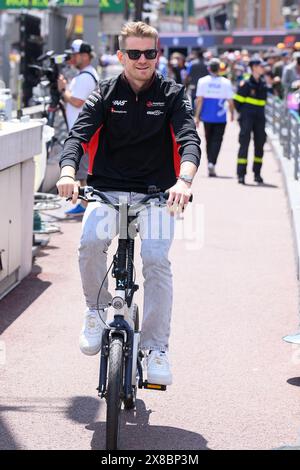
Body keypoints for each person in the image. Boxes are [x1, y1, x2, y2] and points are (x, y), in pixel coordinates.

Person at [56, 21, 201, 386]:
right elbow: (77, 136)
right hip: (107, 192)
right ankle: (96, 308)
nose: (142, 60)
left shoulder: (172, 94)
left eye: (149, 53)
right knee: (89, 243)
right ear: (121, 56)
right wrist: (68, 173)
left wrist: (184, 181)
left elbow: (189, 140)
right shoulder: (103, 93)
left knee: (155, 260)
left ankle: (155, 348)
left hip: (157, 195)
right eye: (133, 53)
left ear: (158, 55)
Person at [57, 39, 99, 216]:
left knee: (84, 172)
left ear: (84, 56)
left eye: (75, 55)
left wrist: (62, 90)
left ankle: (86, 205)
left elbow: (76, 101)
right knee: (83, 172)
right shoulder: (85, 74)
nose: (72, 58)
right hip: (83, 131)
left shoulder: (86, 76)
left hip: (84, 133)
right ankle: (85, 203)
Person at [194, 58, 234, 177]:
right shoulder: (226, 82)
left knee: (208, 140)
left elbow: (199, 100)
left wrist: (197, 116)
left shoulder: (202, 81)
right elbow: (230, 101)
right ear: (220, 69)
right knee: (217, 140)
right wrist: (232, 113)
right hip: (220, 116)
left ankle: (210, 162)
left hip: (207, 115)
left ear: (209, 68)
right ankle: (212, 162)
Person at [233, 56, 267, 185]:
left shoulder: (263, 83)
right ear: (254, 67)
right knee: (244, 144)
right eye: (261, 66)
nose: (263, 68)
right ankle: (241, 175)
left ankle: (257, 174)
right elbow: (237, 101)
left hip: (260, 118)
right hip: (247, 118)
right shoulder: (246, 83)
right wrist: (243, 115)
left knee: (259, 145)